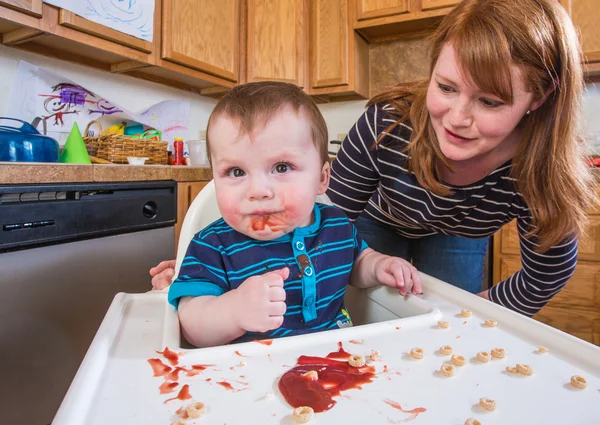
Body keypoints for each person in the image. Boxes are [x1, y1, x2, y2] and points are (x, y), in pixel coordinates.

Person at [153, 0, 596, 317]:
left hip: (457, 234)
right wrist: (211, 277)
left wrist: (477, 317)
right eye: (445, 88)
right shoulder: (387, 125)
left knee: (435, 317)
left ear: (538, 99)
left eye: (491, 102)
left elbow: (543, 277)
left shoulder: (542, 172)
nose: (457, 118)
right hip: (373, 219)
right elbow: (322, 228)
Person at [168, 82, 422, 347]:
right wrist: (232, 312)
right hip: (249, 376)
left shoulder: (336, 225)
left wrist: (379, 265)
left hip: (339, 360)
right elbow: (190, 326)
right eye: (236, 172)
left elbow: (356, 263)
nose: (258, 191)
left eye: (281, 167)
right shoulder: (211, 246)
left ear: (322, 178)